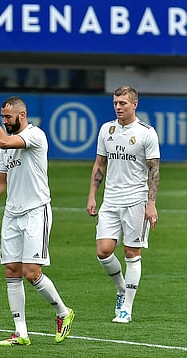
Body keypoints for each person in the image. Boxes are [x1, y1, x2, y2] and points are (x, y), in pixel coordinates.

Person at [0, 94, 74, 346]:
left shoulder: (35, 136)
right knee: (12, 271)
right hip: (12, 213)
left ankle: (63, 312)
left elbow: (3, 141)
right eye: (1, 117)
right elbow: (1, 179)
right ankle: (21, 332)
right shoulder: (6, 146)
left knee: (32, 273)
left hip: (35, 211)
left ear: (22, 115)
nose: (4, 120)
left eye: (7, 117)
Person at [86, 86, 160, 323]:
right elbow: (99, 164)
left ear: (134, 104)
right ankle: (121, 289)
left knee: (131, 252)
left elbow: (154, 170)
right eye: (115, 103)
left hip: (136, 201)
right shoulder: (106, 129)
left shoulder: (147, 133)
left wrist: (151, 203)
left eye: (123, 103)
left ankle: (126, 307)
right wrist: (92, 195)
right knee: (103, 251)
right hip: (110, 200)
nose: (118, 107)